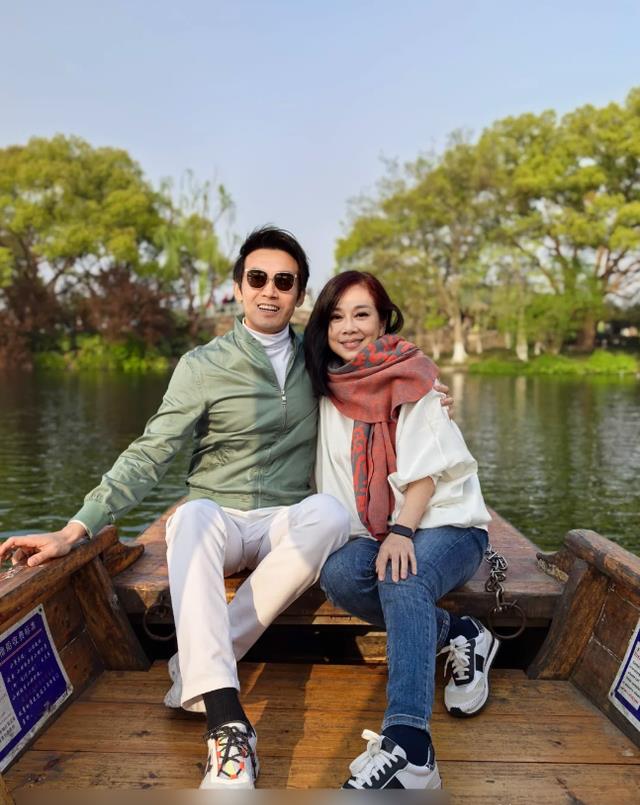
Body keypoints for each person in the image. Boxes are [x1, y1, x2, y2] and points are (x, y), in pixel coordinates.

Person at [0, 227, 355, 790]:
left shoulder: (319, 356)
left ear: (299, 294)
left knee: (332, 514)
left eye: (284, 282)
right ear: (238, 288)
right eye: (257, 278)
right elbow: (151, 453)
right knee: (187, 516)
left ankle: (194, 667)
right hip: (217, 513)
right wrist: (76, 529)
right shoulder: (203, 364)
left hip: (283, 518)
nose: (269, 290)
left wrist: (428, 397)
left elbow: (383, 372)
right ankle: (227, 723)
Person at [303, 270, 499, 791]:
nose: (349, 327)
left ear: (383, 319)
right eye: (336, 317)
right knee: (339, 573)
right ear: (323, 326)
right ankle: (458, 633)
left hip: (445, 522)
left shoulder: (411, 376)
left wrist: (401, 532)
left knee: (400, 574)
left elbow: (427, 475)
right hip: (374, 532)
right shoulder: (321, 386)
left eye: (361, 314)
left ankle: (411, 747)